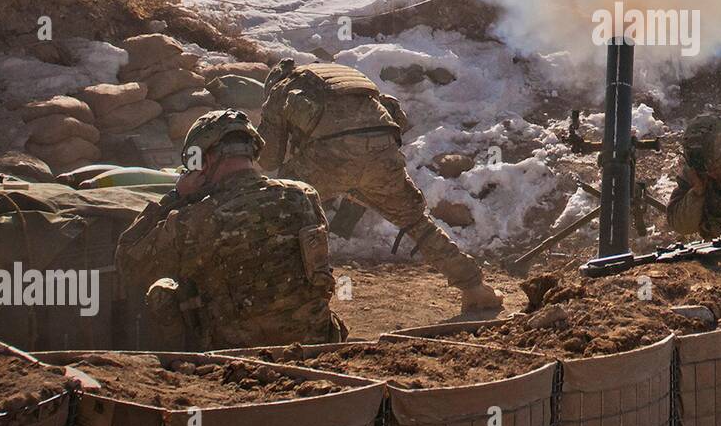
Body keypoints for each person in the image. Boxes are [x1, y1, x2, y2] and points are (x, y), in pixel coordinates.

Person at [258, 58, 502, 313]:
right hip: (382, 153)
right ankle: (474, 288)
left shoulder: (283, 88)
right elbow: (397, 116)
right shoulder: (347, 76)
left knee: (284, 212)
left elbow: (268, 158)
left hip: (328, 157)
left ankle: (280, 296)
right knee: (417, 223)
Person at [115, 110, 346, 350]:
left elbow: (129, 263)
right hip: (315, 345)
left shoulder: (195, 220)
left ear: (205, 160)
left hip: (236, 354)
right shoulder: (303, 196)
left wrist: (175, 198)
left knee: (162, 295)